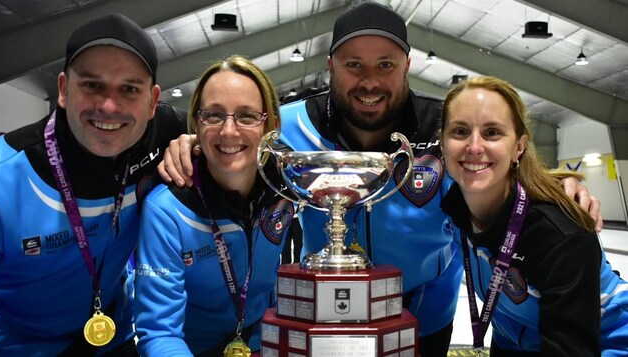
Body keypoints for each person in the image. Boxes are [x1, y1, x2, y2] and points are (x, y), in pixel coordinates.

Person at [158, 3, 601, 355]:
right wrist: (189, 146)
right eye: (354, 65)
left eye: (385, 65)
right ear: (330, 65)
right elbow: (232, 141)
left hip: (424, 315)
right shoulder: (287, 128)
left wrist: (558, 186)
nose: (370, 81)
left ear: (407, 65)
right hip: (324, 312)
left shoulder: (444, 129)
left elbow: (496, 169)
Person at [0, 14, 187, 356]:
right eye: (92, 85)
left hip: (115, 339)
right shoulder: (3, 177)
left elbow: (239, 139)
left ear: (153, 101)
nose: (109, 106)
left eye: (129, 89)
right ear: (64, 89)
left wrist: (197, 144)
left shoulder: (168, 133)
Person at [440, 76, 628, 356]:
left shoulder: (558, 234)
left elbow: (571, 348)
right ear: (442, 143)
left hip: (608, 343)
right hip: (522, 341)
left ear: (519, 147)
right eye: (460, 131)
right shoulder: (453, 211)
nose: (475, 146)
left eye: (492, 132)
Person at [134, 55, 295, 356]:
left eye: (247, 116)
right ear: (196, 122)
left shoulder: (287, 185)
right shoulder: (167, 210)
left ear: (271, 125)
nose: (229, 132)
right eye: (214, 115)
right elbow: (158, 332)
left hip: (266, 343)